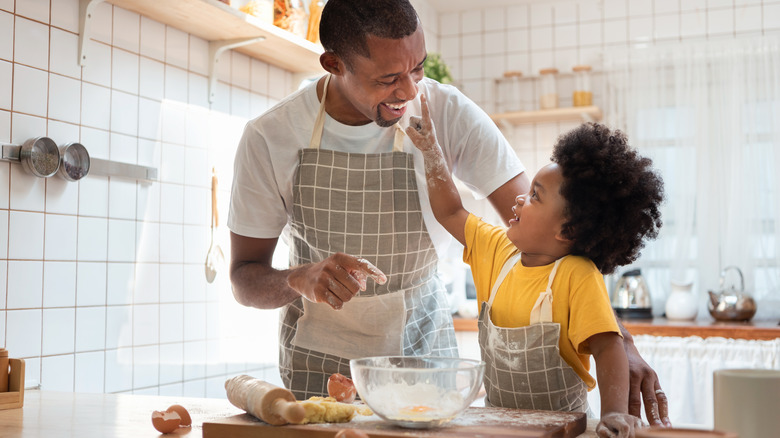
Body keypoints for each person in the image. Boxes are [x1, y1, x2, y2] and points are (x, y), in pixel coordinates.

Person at [227, 0, 671, 426]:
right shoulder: (270, 136)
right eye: (388, 79)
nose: (409, 91)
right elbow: (245, 279)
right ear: (334, 65)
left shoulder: (448, 113)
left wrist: (617, 341)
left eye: (417, 69)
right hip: (316, 375)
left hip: (425, 371)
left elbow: (558, 235)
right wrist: (297, 278)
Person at [406, 103, 663, 436]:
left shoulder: (577, 275)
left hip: (564, 430)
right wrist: (431, 153)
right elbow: (451, 212)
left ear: (566, 231)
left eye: (534, 197)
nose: (518, 200)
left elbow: (608, 345)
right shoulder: (498, 249)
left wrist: (614, 414)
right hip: (501, 427)